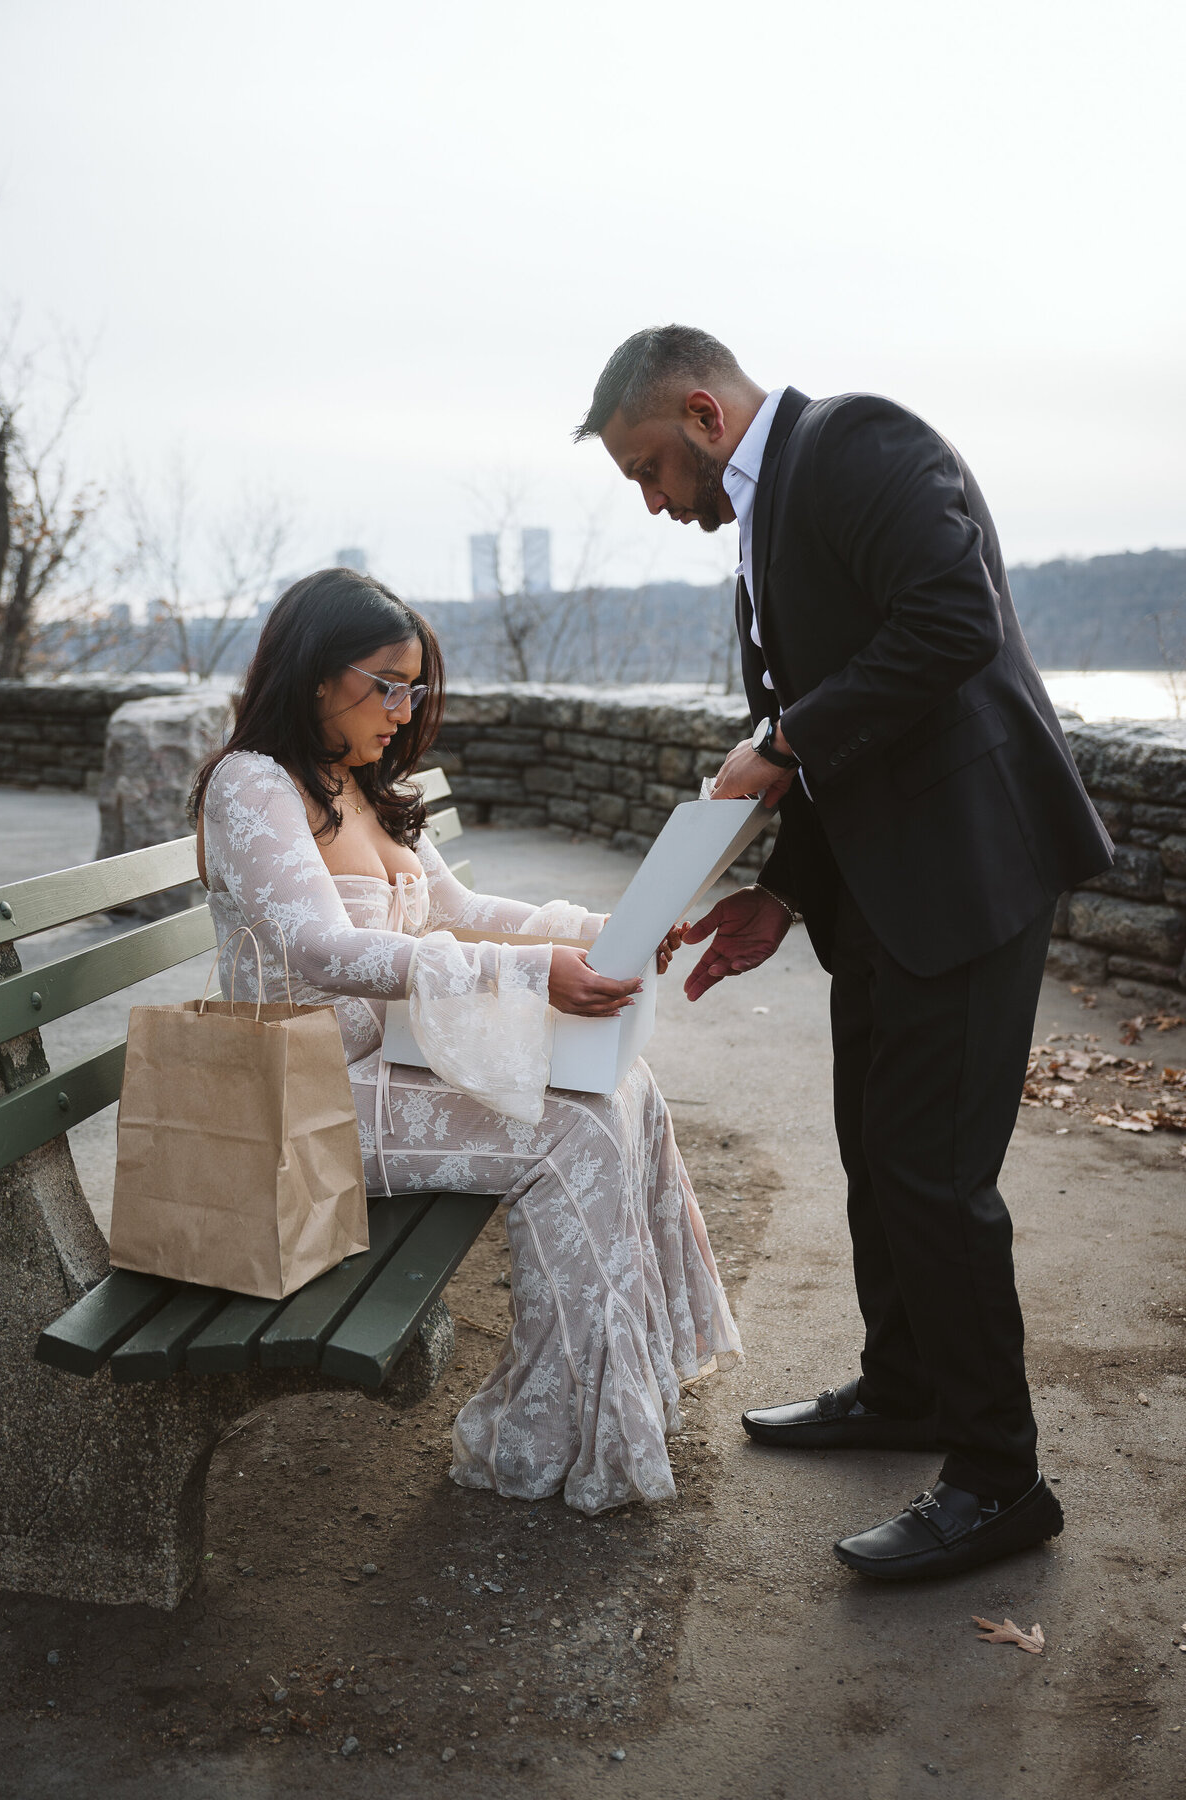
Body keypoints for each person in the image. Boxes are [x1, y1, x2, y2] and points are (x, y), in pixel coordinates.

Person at [574, 325, 1113, 1580]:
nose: (653, 502)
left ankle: (999, 1481)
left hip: (969, 872)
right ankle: (905, 1387)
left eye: (649, 470)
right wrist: (782, 892)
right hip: (878, 890)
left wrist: (782, 741)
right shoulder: (760, 530)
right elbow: (834, 740)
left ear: (703, 414)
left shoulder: (859, 441)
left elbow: (952, 623)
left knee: (934, 1178)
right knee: (878, 1154)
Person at [189, 567, 740, 1517]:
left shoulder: (359, 782)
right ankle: (550, 1431)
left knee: (621, 1089)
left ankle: (622, 1396)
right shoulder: (252, 786)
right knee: (572, 1131)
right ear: (316, 675)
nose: (404, 711)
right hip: (300, 1099)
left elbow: (459, 909)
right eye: (387, 685)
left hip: (386, 1071)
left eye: (415, 689)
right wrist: (528, 976)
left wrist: (605, 931)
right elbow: (320, 949)